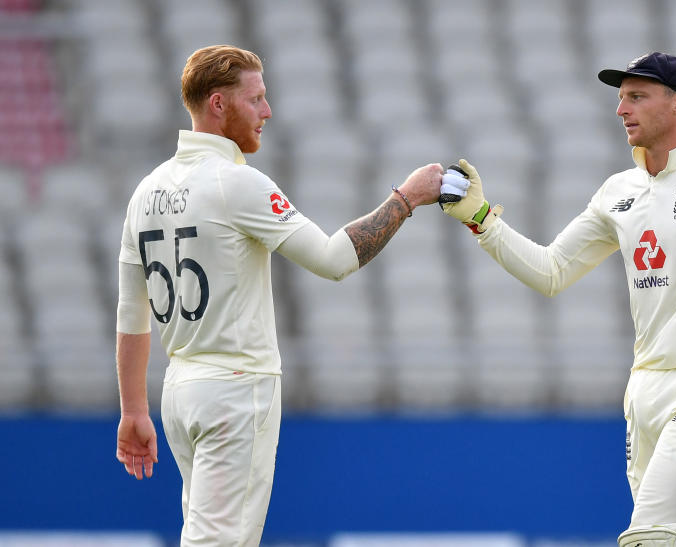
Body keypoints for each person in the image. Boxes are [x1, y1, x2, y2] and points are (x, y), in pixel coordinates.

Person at [440, 52, 676, 546]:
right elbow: (551, 271)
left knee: (648, 536)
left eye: (636, 96)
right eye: (620, 97)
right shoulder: (617, 191)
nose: (621, 109)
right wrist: (482, 218)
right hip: (643, 392)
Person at [114, 45, 441, 546]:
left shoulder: (146, 191)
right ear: (219, 104)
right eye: (257, 99)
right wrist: (407, 198)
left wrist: (134, 410)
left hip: (179, 391)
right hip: (235, 390)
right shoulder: (236, 183)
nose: (267, 112)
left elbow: (131, 314)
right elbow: (333, 260)